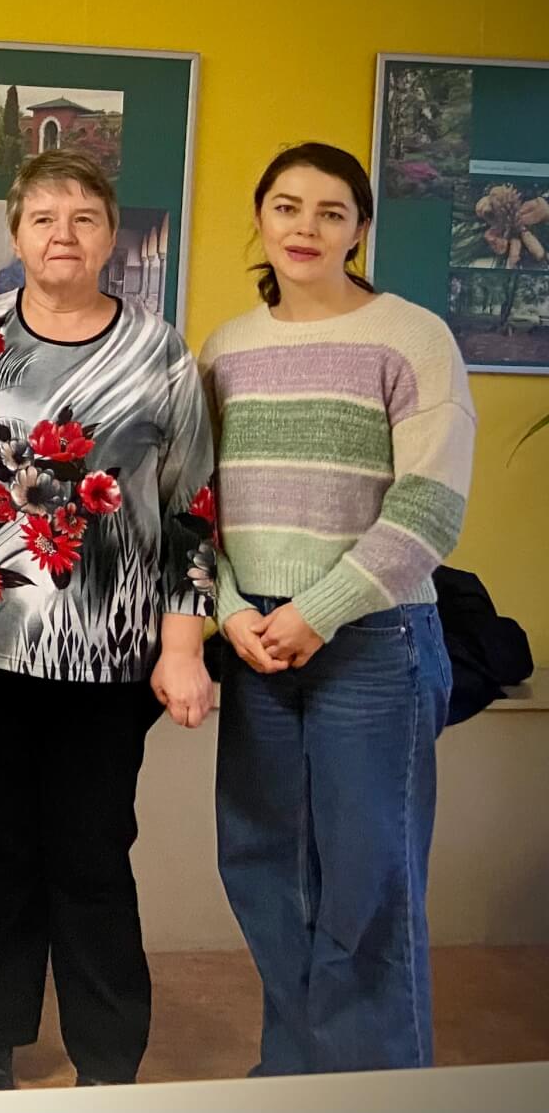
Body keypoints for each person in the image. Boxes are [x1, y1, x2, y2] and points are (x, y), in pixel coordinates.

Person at [0, 150, 218, 1091]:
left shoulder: (160, 352)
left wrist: (183, 645)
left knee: (91, 849)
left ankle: (109, 1056)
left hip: (111, 656)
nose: (62, 235)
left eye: (83, 218)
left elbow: (194, 505)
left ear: (112, 238)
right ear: (16, 235)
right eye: (43, 218)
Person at [201, 142, 474, 1075]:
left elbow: (430, 508)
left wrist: (320, 609)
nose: (306, 228)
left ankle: (372, 1087)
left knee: (368, 881)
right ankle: (294, 1077)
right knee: (264, 869)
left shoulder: (414, 338)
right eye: (287, 207)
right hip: (256, 641)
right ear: (260, 218)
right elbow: (201, 503)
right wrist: (229, 609)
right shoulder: (226, 349)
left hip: (373, 638)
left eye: (330, 211)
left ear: (359, 229)